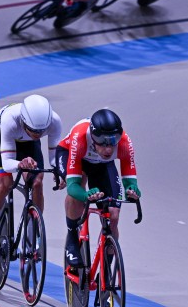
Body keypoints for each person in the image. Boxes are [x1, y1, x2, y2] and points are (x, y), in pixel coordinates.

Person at [54, 108, 140, 267]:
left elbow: (130, 180)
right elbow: (72, 187)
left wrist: (133, 191)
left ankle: (106, 271)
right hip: (71, 155)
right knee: (78, 189)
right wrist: (85, 195)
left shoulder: (124, 143)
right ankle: (72, 238)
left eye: (113, 141)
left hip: (102, 164)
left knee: (113, 215)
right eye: (102, 142)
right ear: (93, 137)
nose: (108, 148)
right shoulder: (80, 137)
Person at [0, 95, 65, 255]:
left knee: (37, 182)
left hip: (28, 144)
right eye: (34, 130)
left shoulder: (54, 122)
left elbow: (54, 157)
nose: (38, 134)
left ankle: (32, 231)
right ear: (24, 122)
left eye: (41, 131)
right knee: (4, 184)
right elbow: (7, 163)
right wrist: (20, 164)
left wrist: (61, 172)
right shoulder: (10, 120)